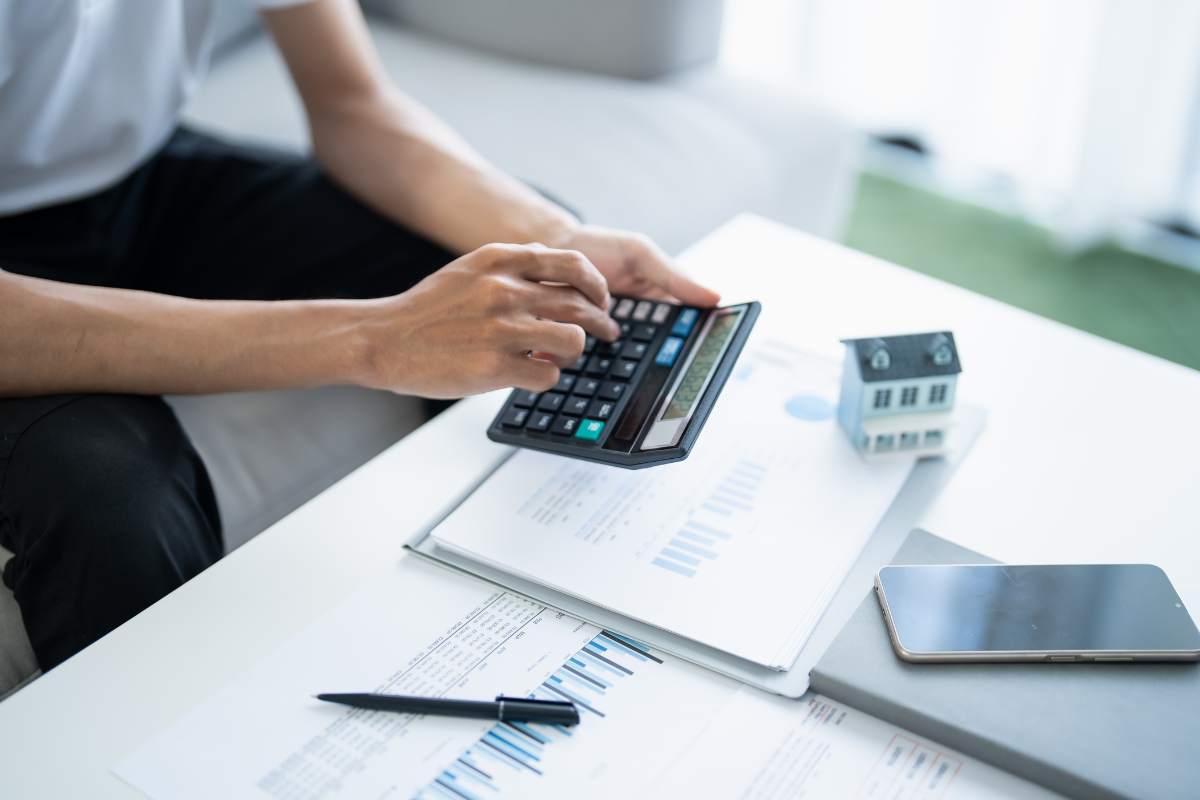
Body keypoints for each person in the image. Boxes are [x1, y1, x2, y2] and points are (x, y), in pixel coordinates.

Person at [0, 0, 719, 672]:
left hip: (139, 175)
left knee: (526, 283)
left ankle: (548, 601)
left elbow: (354, 103)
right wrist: (373, 338)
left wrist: (554, 237)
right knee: (111, 496)